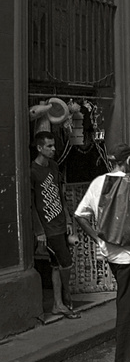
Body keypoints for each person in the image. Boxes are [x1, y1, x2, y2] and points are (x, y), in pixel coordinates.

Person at [75, 143, 130, 362]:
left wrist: (97, 237)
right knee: (128, 305)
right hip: (129, 254)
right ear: (127, 161)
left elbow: (80, 215)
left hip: (109, 251)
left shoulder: (99, 182)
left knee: (128, 301)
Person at [30, 132, 80, 319]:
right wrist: (39, 230)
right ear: (39, 148)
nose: (53, 149)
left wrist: (67, 219)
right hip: (48, 227)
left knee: (57, 265)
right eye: (49, 146)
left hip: (60, 223)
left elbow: (61, 195)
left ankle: (57, 304)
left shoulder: (53, 166)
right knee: (65, 262)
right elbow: (32, 204)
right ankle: (66, 298)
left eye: (53, 146)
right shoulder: (32, 171)